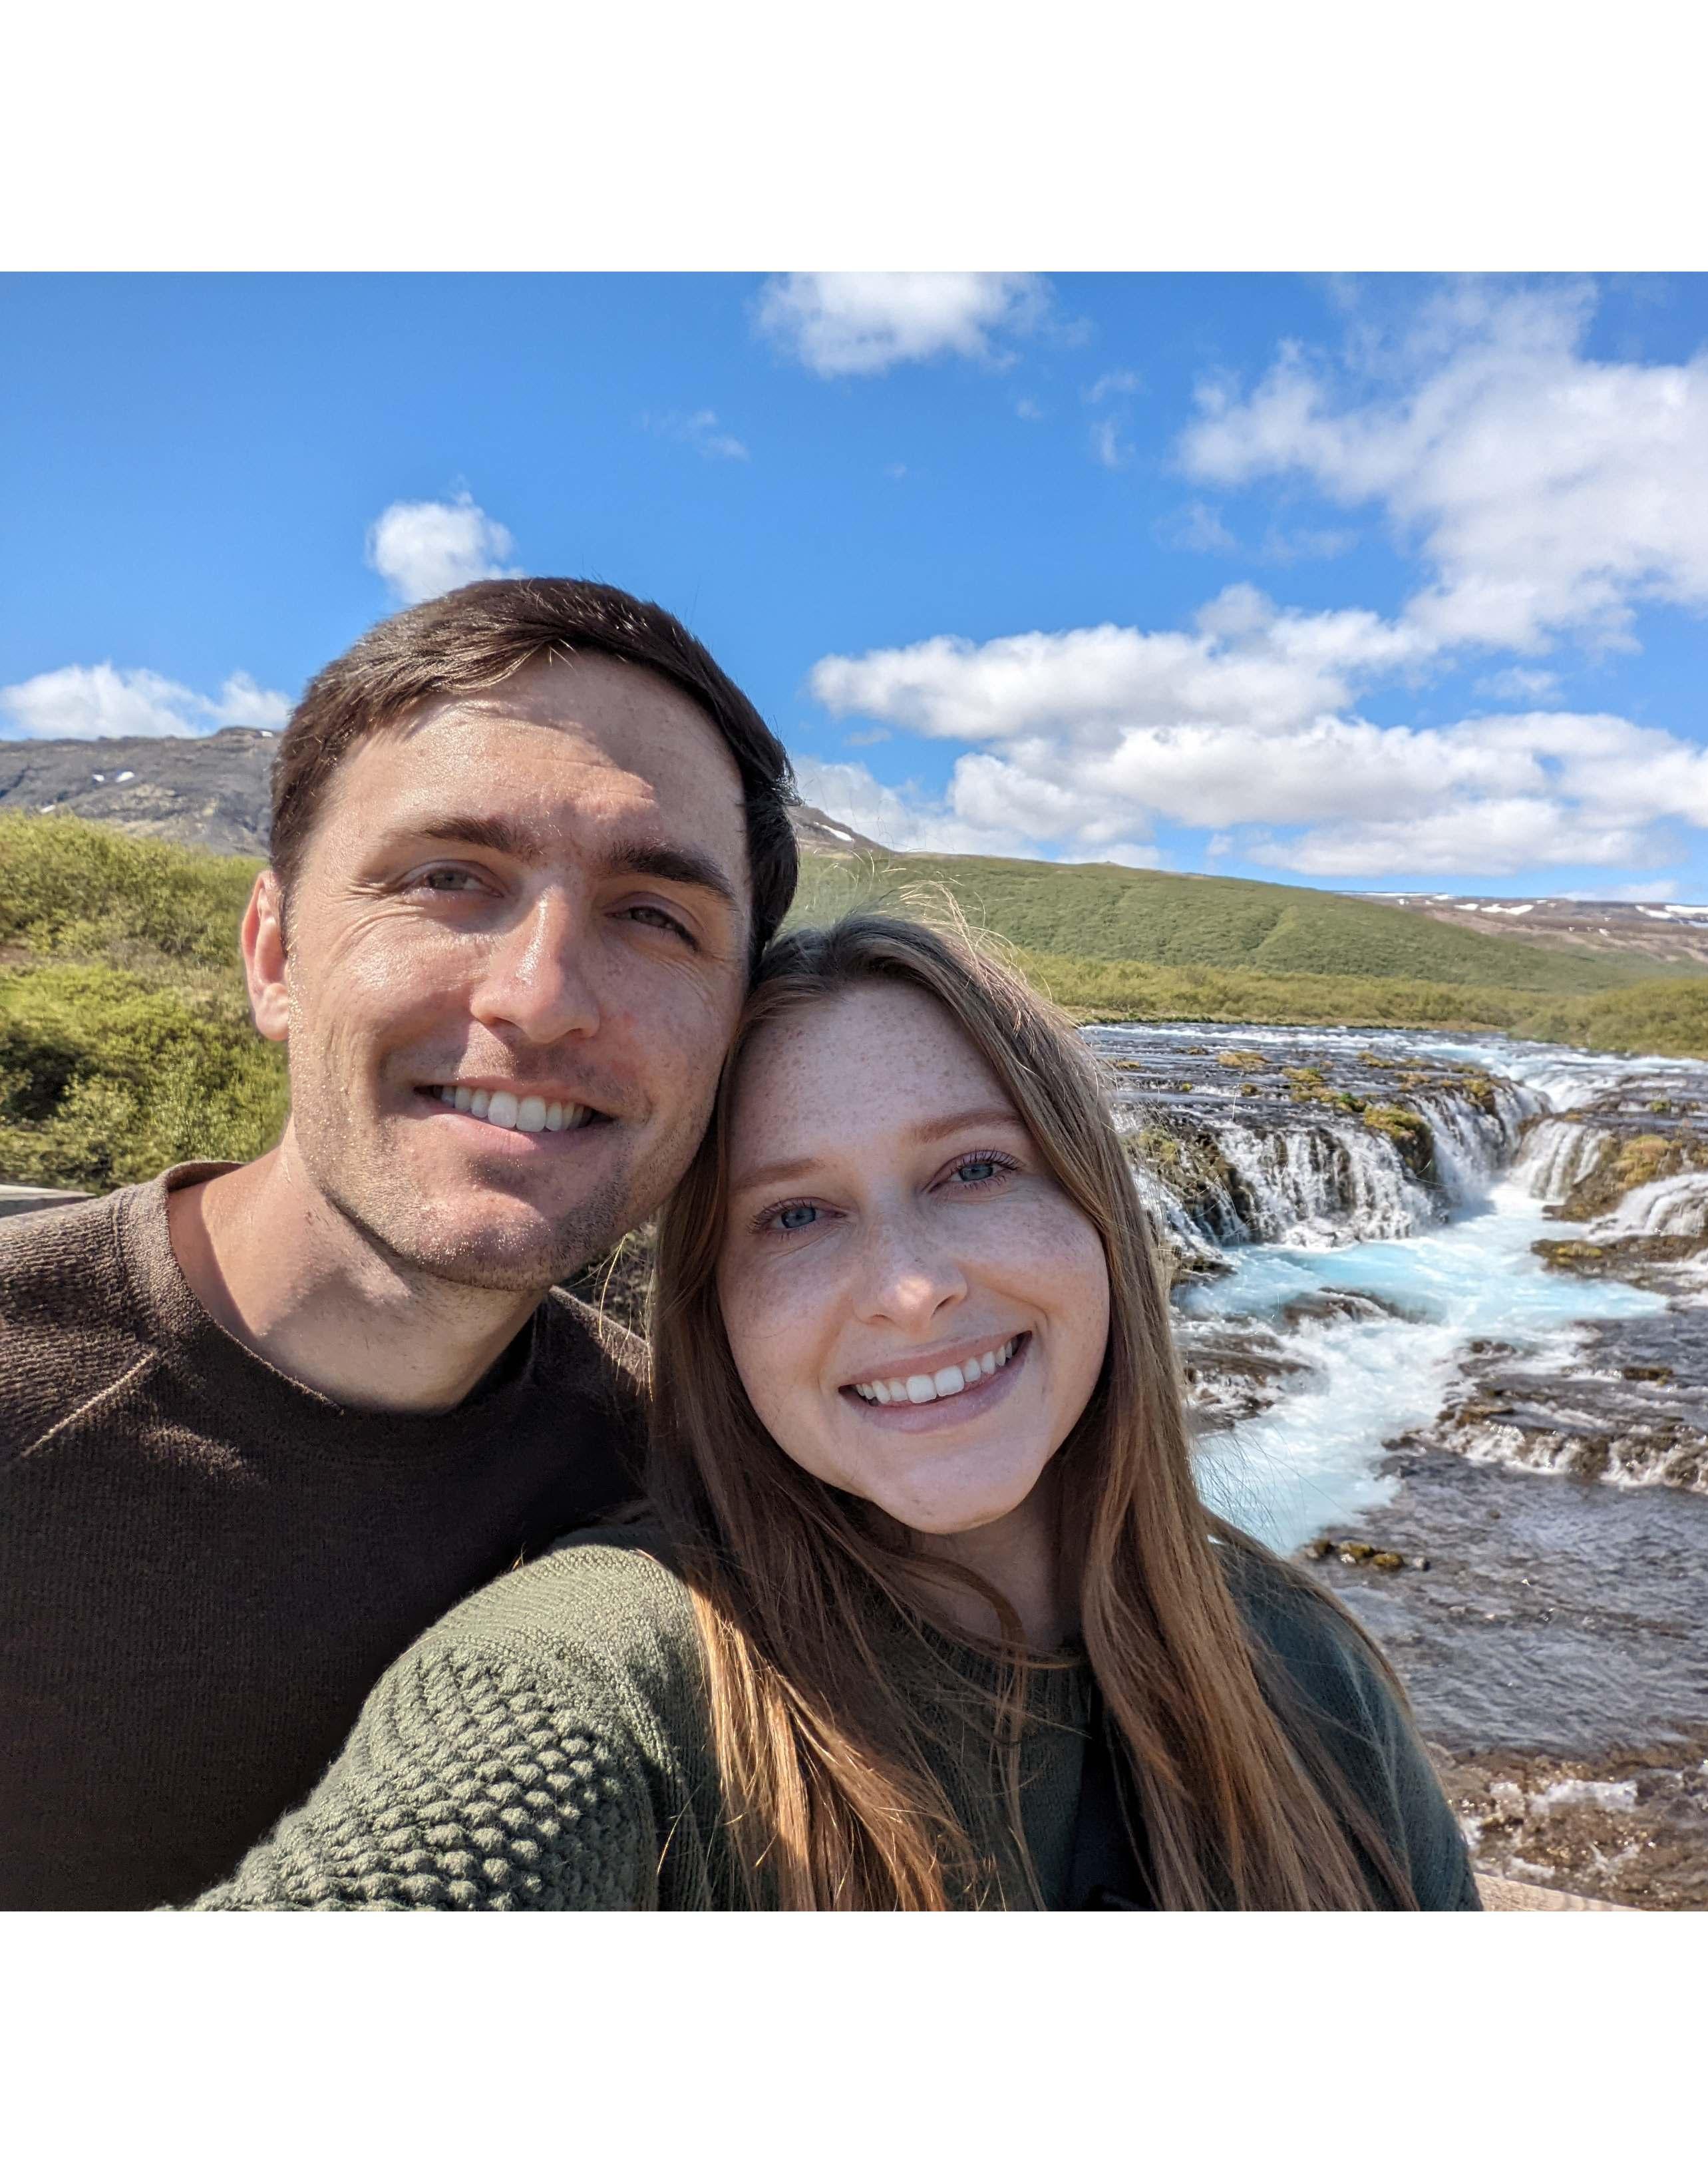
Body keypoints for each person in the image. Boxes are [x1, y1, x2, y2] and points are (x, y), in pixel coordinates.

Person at [195, 915, 1480, 1910]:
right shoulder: (597, 1679)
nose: (914, 1292)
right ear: (713, 1308)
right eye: (795, 1214)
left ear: (1097, 1218)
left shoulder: (1302, 1671)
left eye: (976, 1169)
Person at [0, 578, 796, 1909]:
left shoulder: (698, 1486)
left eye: (655, 914)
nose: (538, 997)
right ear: (275, 956)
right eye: (446, 878)